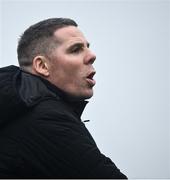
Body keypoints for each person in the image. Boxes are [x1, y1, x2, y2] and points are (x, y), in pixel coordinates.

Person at [0, 18, 127, 178]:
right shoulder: (46, 119)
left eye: (88, 47)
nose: (92, 56)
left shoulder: (21, 108)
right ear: (42, 66)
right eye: (75, 49)